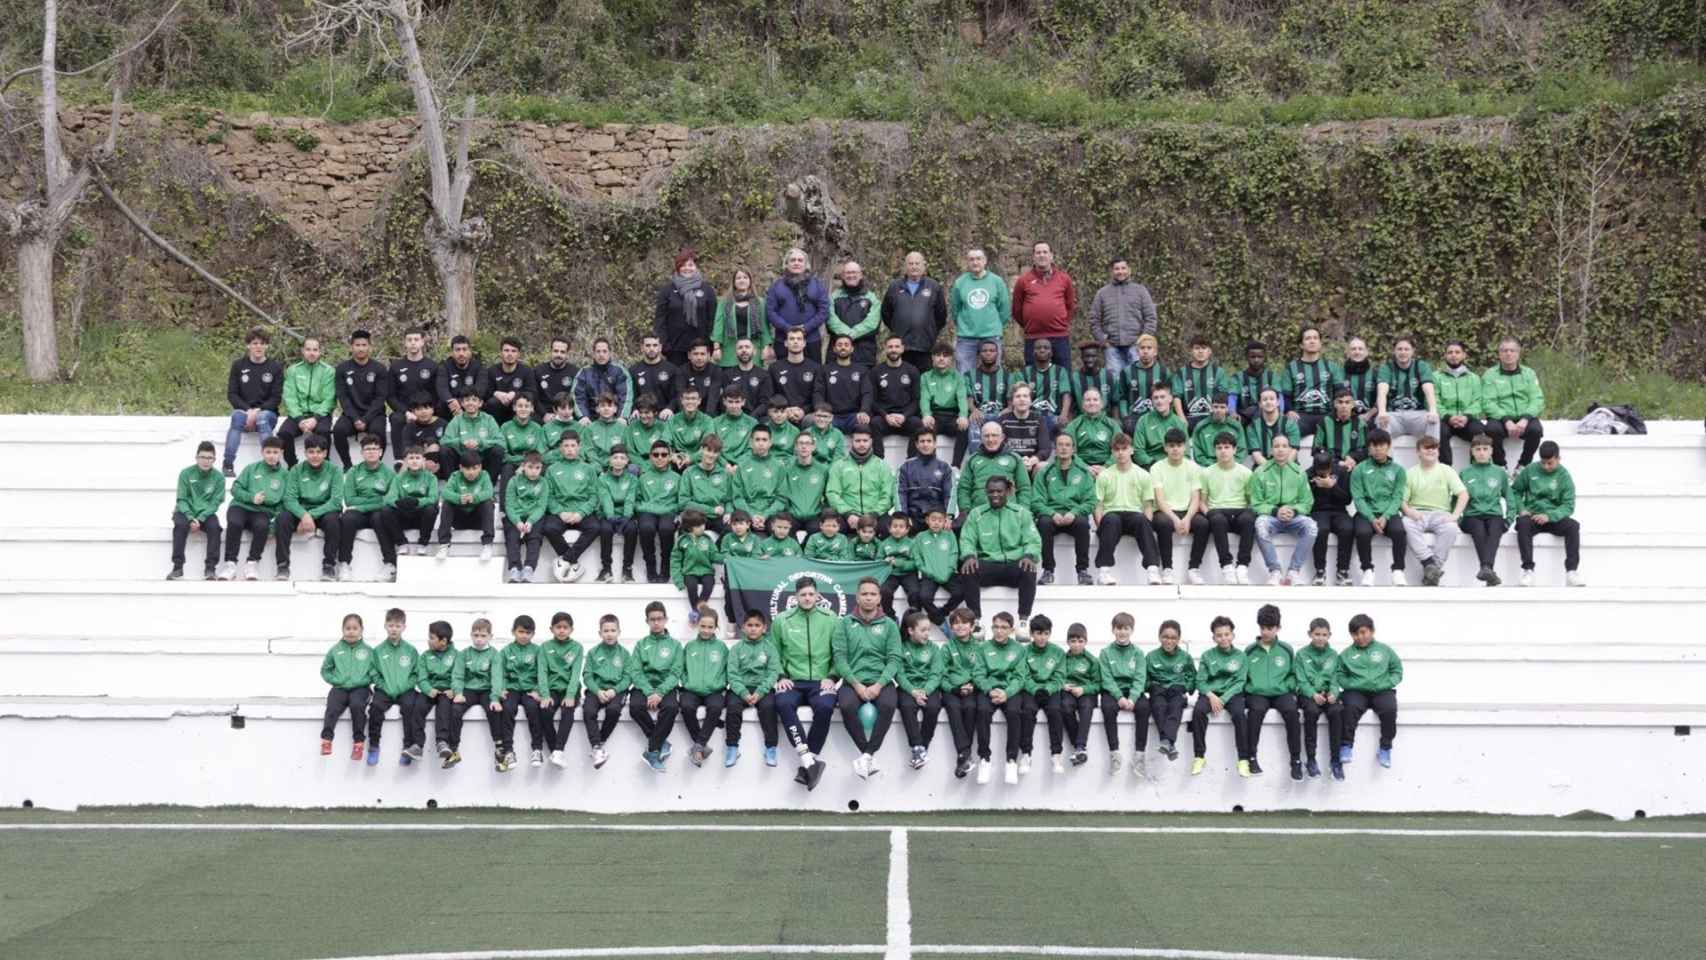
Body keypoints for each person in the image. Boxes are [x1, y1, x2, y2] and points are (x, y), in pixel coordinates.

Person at [769, 577, 841, 790]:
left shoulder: (831, 618)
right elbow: (774, 652)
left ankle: (809, 762)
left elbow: (839, 652)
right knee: (781, 703)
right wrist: (781, 676)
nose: (808, 598)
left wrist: (833, 676)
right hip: (793, 681)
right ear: (796, 597)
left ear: (817, 596)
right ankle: (808, 760)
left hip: (821, 681)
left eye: (811, 594)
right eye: (803, 595)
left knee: (826, 706)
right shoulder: (782, 620)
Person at [834, 578, 903, 779]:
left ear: (879, 598)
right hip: (853, 680)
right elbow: (840, 658)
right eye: (864, 594)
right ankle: (868, 754)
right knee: (846, 706)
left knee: (889, 706)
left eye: (873, 594)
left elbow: (894, 659)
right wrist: (856, 685)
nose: (869, 598)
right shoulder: (845, 623)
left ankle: (866, 755)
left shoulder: (889, 625)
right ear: (857, 597)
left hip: (881, 681)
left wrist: (879, 684)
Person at [959, 476, 1042, 629]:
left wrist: (1029, 555)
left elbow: (1033, 540)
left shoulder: (1021, 513)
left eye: (999, 491)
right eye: (991, 491)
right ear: (986, 492)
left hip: (1013, 564)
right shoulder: (976, 514)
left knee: (1029, 568)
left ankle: (1023, 621)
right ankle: (975, 621)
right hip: (989, 564)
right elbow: (966, 539)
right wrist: (969, 556)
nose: (995, 495)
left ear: (1008, 492)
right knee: (968, 569)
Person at [1243, 604, 1303, 780]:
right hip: (1257, 693)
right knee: (1255, 712)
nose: (1266, 632)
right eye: (1262, 628)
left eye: (1270, 628)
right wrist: (1250, 688)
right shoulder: (1250, 651)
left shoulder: (1286, 650)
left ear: (1278, 628)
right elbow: (1243, 675)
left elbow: (1293, 674)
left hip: (1281, 692)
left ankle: (1296, 761)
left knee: (1292, 712)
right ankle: (1251, 758)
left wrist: (1288, 687)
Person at [1093, 433, 1161, 586]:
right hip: (1112, 516)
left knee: (1142, 519)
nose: (1120, 453)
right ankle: (1104, 572)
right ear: (1112, 452)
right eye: (1117, 449)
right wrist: (1100, 527)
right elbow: (1098, 506)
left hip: (1134, 516)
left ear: (1132, 450)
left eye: (1124, 449)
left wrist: (1147, 525)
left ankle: (1152, 570)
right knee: (1110, 519)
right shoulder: (1104, 476)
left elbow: (1148, 506)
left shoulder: (1143, 475)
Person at [1513, 440, 1584, 587]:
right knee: (1522, 523)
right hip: (1532, 515)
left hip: (1553, 517)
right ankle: (1528, 570)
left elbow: (1568, 506)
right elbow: (1514, 491)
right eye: (1543, 463)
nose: (1546, 466)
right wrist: (1521, 508)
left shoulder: (1564, 476)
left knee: (1573, 526)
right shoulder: (1530, 470)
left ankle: (1571, 571)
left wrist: (1550, 516)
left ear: (1558, 458)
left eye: (1550, 463)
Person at [1336, 612, 1401, 768]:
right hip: (1356, 692)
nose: (1360, 637)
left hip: (1381, 690)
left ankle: (1385, 747)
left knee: (1390, 708)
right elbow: (1339, 674)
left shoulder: (1385, 650)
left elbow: (1397, 670)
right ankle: (1346, 745)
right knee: (1349, 707)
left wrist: (1387, 683)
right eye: (1355, 634)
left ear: (1372, 631)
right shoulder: (1346, 654)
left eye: (1363, 632)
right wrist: (1350, 685)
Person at [971, 611, 1030, 785]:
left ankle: (1011, 760)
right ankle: (984, 759)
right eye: (996, 627)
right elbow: (978, 674)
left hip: (1009, 691)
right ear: (991, 628)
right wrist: (989, 690)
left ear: (1012, 630)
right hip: (989, 690)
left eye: (1004, 627)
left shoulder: (1019, 649)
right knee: (981, 711)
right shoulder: (983, 648)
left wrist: (1007, 693)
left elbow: (1020, 677)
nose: (999, 631)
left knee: (1014, 712)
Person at [1250, 434, 1317, 586]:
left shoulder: (1299, 472)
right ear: (1271, 450)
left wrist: (1293, 510)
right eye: (1276, 446)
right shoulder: (1260, 472)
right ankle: (1275, 571)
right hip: (1271, 517)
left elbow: (1307, 502)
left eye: (1284, 446)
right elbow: (1255, 503)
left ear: (1290, 450)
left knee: (1311, 526)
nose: (1280, 450)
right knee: (1260, 524)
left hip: (1293, 517)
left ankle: (1294, 571)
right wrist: (1275, 511)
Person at [1401, 435, 1468, 586]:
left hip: (1441, 513)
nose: (1431, 451)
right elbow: (1402, 501)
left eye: (1434, 448)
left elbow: (1463, 494)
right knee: (1406, 523)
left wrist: (1455, 515)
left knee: (1451, 528)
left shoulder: (1447, 470)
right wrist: (1409, 512)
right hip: (1418, 512)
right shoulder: (1410, 473)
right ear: (1418, 452)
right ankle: (1428, 562)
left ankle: (1432, 570)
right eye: (1426, 448)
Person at [1189, 615, 1251, 778]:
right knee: (1198, 712)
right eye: (1219, 635)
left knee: (1239, 714)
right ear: (1214, 637)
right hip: (1211, 694)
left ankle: (1243, 759)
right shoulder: (1207, 656)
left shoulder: (1241, 656)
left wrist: (1223, 699)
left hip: (1232, 694)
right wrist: (1211, 696)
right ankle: (1199, 756)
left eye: (1226, 634)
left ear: (1233, 635)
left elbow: (1240, 682)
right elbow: (1200, 681)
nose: (1223, 638)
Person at [275, 434, 343, 582]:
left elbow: (336, 501)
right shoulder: (296, 470)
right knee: (282, 518)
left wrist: (310, 515)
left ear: (325, 453)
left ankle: (329, 566)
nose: (315, 456)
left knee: (333, 521)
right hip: (302, 510)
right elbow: (289, 499)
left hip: (324, 510)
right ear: (305, 453)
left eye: (319, 452)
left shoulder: (335, 470)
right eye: (311, 452)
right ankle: (282, 565)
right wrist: (303, 515)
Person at [1189, 432, 1255, 584]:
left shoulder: (1246, 473)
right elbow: (1202, 501)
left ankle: (1242, 566)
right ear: (1214, 451)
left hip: (1239, 511)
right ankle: (1226, 566)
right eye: (1219, 448)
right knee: (1217, 519)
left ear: (1235, 450)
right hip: (1218, 511)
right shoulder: (1206, 473)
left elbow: (1251, 500)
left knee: (1249, 518)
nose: (1223, 451)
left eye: (1227, 447)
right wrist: (1209, 513)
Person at [219, 435, 287, 581]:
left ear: (281, 453)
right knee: (235, 523)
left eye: (275, 452)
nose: (271, 456)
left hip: (263, 511)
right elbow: (235, 489)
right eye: (268, 452)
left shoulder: (285, 475)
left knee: (262, 526)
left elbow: (284, 502)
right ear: (262, 452)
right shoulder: (251, 468)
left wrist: (273, 524)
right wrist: (251, 497)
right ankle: (230, 564)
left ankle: (252, 562)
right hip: (241, 506)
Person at [626, 602, 684, 771]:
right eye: (653, 619)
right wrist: (650, 692)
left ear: (666, 620)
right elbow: (635, 671)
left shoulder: (675, 645)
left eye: (659, 619)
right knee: (635, 707)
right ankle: (660, 742)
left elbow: (676, 673)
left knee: (672, 707)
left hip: (666, 687)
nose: (656, 623)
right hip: (644, 686)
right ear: (647, 621)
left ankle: (652, 750)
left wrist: (660, 692)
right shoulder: (641, 644)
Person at [1033, 433, 1096, 586]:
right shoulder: (1044, 472)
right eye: (1060, 444)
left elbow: (1091, 501)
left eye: (1067, 445)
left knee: (1082, 524)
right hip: (1052, 514)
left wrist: (1074, 512)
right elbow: (1035, 501)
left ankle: (1083, 571)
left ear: (1073, 449)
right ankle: (1048, 571)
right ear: (1055, 448)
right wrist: (1051, 513)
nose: (1063, 448)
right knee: (1043, 523)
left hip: (1073, 515)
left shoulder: (1083, 472)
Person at [1350, 428, 1409, 586]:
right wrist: (1371, 517)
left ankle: (1398, 570)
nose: (1377, 449)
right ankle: (1367, 570)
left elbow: (1397, 497)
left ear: (1388, 446)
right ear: (1368, 447)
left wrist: (1385, 516)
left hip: (1388, 512)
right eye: (1373, 446)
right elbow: (1358, 498)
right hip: (1365, 512)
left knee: (1399, 531)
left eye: (1381, 445)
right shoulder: (1359, 469)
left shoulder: (1398, 470)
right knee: (1362, 532)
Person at [541, 431, 601, 583]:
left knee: (595, 527)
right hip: (561, 510)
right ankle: (574, 563)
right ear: (560, 448)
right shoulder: (552, 469)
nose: (569, 449)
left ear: (579, 447)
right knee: (549, 528)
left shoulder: (588, 469)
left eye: (573, 446)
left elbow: (594, 496)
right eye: (566, 446)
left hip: (581, 510)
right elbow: (548, 496)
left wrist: (581, 513)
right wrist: (560, 512)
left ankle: (566, 560)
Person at [724, 609, 782, 767]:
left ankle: (770, 748)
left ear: (764, 628)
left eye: (757, 625)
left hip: (762, 688)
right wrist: (743, 692)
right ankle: (732, 747)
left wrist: (760, 692)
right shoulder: (736, 649)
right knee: (733, 707)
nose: (753, 628)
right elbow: (732, 674)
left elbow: (772, 673)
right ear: (743, 627)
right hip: (740, 688)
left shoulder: (770, 648)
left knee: (769, 707)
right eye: (750, 625)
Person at [366, 608, 424, 767]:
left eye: (398, 626)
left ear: (404, 627)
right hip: (384, 690)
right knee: (375, 708)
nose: (394, 629)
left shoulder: (411, 651)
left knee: (410, 707)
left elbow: (415, 673)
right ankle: (373, 746)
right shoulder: (378, 651)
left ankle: (408, 747)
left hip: (405, 690)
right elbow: (373, 672)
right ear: (385, 626)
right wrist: (382, 685)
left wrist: (406, 686)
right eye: (391, 625)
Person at [222, 328, 283, 477]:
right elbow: (232, 394)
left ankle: (272, 463)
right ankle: (228, 464)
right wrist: (247, 410)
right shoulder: (238, 366)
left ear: (267, 346)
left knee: (262, 419)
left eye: (262, 344)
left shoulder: (275, 367)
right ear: (248, 345)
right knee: (236, 417)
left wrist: (258, 411)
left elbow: (276, 398)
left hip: (267, 414)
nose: (258, 347)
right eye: (255, 343)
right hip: (244, 413)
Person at [1097, 612, 1152, 776]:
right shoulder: (1105, 652)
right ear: (1113, 630)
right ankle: (1114, 754)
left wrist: (1133, 698)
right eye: (1118, 628)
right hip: (1113, 691)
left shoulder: (1138, 653)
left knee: (1144, 708)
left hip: (1132, 691)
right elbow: (1106, 679)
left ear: (1132, 630)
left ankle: (1140, 756)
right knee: (1107, 708)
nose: (1122, 632)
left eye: (1126, 629)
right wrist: (1119, 697)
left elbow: (1140, 678)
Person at [337, 434, 398, 581]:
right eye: (367, 449)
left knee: (380, 516)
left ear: (381, 451)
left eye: (375, 448)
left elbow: (388, 500)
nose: (371, 452)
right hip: (359, 514)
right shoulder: (353, 472)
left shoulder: (389, 474)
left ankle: (390, 564)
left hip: (377, 512)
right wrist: (375, 500)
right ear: (362, 452)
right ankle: (344, 564)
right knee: (347, 518)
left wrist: (363, 505)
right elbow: (350, 500)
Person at [493, 615, 548, 770]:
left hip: (530, 690)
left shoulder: (538, 651)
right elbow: (500, 673)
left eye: (528, 633)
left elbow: (542, 673)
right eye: (521, 632)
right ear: (513, 632)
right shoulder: (505, 651)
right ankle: (509, 751)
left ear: (533, 634)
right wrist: (501, 689)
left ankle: (537, 749)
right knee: (508, 709)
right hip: (512, 688)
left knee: (533, 708)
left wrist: (538, 691)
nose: (524, 636)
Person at [446, 618, 502, 770]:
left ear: (490, 636)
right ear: (471, 635)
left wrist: (495, 698)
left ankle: (499, 749)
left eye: (483, 636)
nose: (479, 639)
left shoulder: (494, 654)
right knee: (456, 709)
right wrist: (458, 692)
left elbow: (497, 678)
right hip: (469, 690)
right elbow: (457, 676)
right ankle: (453, 749)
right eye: (476, 635)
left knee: (494, 710)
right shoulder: (464, 654)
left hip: (486, 690)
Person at [1459, 433, 1515, 585]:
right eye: (1477, 449)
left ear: (1491, 451)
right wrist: (1458, 518)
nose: (1481, 452)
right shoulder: (1464, 473)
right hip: (1472, 515)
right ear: (1472, 452)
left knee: (1495, 529)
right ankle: (1488, 569)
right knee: (1479, 530)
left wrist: (1509, 518)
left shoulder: (1499, 473)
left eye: (1485, 449)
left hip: (1493, 513)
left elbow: (1510, 497)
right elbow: (1455, 497)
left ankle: (1486, 568)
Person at [1481, 337, 1546, 469]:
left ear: (1518, 353)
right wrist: (1506, 420)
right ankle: (1500, 466)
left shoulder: (1529, 373)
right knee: (1491, 429)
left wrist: (1526, 418)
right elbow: (1487, 401)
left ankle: (1523, 465)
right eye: (1504, 350)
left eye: (1512, 350)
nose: (1508, 353)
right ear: (1499, 354)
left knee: (1536, 430)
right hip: (1501, 417)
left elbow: (1537, 399)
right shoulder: (1490, 375)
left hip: (1525, 416)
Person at [1294, 616, 1344, 780]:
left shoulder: (1333, 655)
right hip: (1309, 695)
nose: (1320, 638)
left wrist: (1333, 693)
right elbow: (1300, 680)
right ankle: (1311, 759)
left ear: (1329, 635)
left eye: (1324, 634)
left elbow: (1336, 678)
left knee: (1337, 711)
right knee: (1311, 712)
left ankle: (1335, 761)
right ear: (1310, 634)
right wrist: (1312, 694)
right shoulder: (1301, 655)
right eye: (1317, 634)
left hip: (1327, 695)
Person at [1147, 429, 1200, 584]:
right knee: (1163, 523)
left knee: (1203, 524)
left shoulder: (1193, 467)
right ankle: (1167, 569)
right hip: (1165, 511)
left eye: (1178, 445)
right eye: (1171, 446)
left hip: (1187, 510)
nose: (1175, 449)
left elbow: (1196, 497)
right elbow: (1160, 499)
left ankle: (1194, 568)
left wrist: (1188, 518)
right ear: (1165, 448)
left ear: (1185, 447)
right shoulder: (1156, 467)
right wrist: (1176, 519)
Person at [895, 610, 946, 769]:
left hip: (928, 688)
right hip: (909, 688)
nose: (927, 634)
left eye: (929, 630)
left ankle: (922, 747)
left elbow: (936, 673)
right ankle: (917, 746)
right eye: (923, 630)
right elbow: (900, 675)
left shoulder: (934, 649)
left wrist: (925, 690)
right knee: (907, 706)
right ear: (910, 631)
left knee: (933, 707)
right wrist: (913, 691)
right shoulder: (902, 648)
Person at [678, 608, 729, 767]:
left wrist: (719, 684)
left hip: (713, 690)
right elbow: (682, 669)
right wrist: (686, 682)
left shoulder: (721, 647)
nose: (706, 630)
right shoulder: (690, 646)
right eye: (703, 626)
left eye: (710, 627)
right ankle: (700, 746)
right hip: (691, 689)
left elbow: (727, 670)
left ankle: (698, 747)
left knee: (715, 707)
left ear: (716, 628)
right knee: (686, 706)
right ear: (697, 626)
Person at [1087, 257, 1157, 373]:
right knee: (1114, 384)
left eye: (1123, 268)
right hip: (1112, 348)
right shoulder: (1102, 293)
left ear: (1129, 270)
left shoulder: (1140, 291)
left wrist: (1143, 341)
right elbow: (1094, 320)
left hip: (1135, 347)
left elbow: (1151, 318)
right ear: (1112, 271)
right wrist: (1103, 341)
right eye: (1117, 269)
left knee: (1136, 381)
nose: (1120, 271)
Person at [1012, 240, 1076, 366]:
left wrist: (1060, 322)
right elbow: (1016, 310)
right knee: (1033, 376)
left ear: (1051, 256)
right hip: (1033, 337)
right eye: (1038, 252)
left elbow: (1070, 306)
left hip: (1059, 336)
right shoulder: (1023, 281)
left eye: (1045, 252)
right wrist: (1031, 324)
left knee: (1063, 374)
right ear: (1033, 257)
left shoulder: (1064, 279)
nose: (1042, 255)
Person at [881, 251, 948, 373]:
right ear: (905, 267)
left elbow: (941, 315)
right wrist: (899, 327)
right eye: (910, 263)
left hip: (925, 346)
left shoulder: (933, 286)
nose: (914, 266)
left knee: (923, 384)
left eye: (917, 263)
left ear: (924, 266)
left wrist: (929, 330)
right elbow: (886, 313)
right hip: (901, 346)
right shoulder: (895, 286)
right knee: (902, 382)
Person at [169, 441, 226, 581]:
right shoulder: (186, 473)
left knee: (215, 527)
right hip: (185, 511)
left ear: (214, 459)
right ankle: (177, 567)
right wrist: (189, 517)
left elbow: (215, 503)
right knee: (180, 525)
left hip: (205, 513)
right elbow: (181, 499)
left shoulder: (219, 477)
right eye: (203, 457)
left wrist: (200, 518)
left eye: (209, 458)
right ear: (196, 457)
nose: (206, 461)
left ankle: (210, 568)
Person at [333, 329, 389, 469]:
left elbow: (380, 398)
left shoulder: (380, 369)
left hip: (374, 414)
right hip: (351, 414)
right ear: (351, 347)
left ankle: (376, 466)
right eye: (357, 345)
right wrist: (355, 418)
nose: (361, 348)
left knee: (379, 433)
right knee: (338, 430)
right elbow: (343, 397)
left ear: (370, 347)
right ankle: (347, 465)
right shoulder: (342, 369)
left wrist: (365, 419)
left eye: (364, 345)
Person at [580, 614, 630, 769]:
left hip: (617, 691)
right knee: (588, 710)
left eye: (613, 630)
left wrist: (615, 690)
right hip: (597, 690)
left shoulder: (624, 654)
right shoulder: (593, 653)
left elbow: (628, 677)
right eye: (606, 630)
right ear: (600, 633)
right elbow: (587, 675)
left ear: (619, 632)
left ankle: (599, 742)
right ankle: (596, 748)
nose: (609, 634)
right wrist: (597, 691)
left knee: (614, 710)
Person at [320, 612, 373, 760]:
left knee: (357, 706)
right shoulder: (336, 650)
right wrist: (336, 680)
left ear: (361, 630)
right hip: (340, 687)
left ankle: (358, 742)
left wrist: (364, 680)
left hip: (360, 688)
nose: (351, 631)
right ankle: (326, 740)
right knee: (332, 707)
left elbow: (375, 671)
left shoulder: (368, 651)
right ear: (342, 630)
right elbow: (325, 670)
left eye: (355, 628)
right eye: (348, 628)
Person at [277, 335, 335, 468]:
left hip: (320, 415)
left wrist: (315, 419)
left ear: (320, 352)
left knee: (324, 432)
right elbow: (290, 397)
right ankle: (293, 466)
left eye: (315, 350)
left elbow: (329, 398)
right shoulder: (293, 370)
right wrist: (299, 419)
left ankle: (325, 465)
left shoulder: (328, 371)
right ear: (303, 351)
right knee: (284, 433)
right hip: (298, 414)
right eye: (308, 349)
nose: (312, 353)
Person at [1018, 615, 1067, 774]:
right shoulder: (1023, 651)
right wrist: (1035, 689)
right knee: (1027, 712)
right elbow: (1023, 676)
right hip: (1031, 690)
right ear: (1031, 634)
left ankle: (1056, 754)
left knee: (1055, 711)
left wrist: (1047, 689)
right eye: (1038, 633)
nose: (1042, 637)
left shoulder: (1058, 652)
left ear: (1050, 634)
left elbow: (1060, 677)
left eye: (1046, 633)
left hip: (1050, 690)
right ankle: (1026, 754)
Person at [957, 421, 1031, 525]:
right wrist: (966, 510)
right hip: (979, 514)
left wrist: (1022, 510)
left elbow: (1024, 488)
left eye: (994, 435)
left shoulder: (1015, 458)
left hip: (1009, 514)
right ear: (981, 438)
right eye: (986, 436)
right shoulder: (972, 460)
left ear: (1002, 437)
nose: (990, 439)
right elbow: (964, 488)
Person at [949, 247, 1009, 373]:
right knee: (964, 374)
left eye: (978, 259)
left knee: (993, 373)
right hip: (966, 337)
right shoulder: (960, 283)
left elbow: (1004, 309)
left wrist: (995, 326)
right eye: (971, 259)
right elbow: (955, 309)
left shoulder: (997, 281)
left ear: (985, 261)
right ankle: (968, 394)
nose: (975, 262)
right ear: (967, 262)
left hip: (991, 336)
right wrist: (963, 325)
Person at [937, 607, 981, 777]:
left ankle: (963, 756)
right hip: (951, 690)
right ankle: (965, 753)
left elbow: (981, 671)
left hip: (971, 689)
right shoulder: (947, 648)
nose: (960, 626)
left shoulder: (979, 647)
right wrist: (954, 688)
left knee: (970, 708)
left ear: (972, 626)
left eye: (964, 623)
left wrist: (972, 685)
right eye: (955, 623)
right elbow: (941, 674)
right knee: (954, 708)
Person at [655, 247, 717, 367]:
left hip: (700, 350)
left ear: (695, 266)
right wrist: (665, 346)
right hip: (675, 349)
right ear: (677, 267)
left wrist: (711, 345)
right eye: (683, 265)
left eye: (690, 265)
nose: (687, 268)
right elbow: (660, 320)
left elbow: (713, 319)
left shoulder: (706, 289)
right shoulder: (667, 290)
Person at [827, 426, 897, 526]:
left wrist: (873, 514)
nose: (861, 444)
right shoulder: (839, 466)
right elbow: (832, 493)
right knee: (835, 528)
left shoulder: (882, 466)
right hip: (846, 514)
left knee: (887, 528)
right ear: (852, 442)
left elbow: (888, 495)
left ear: (871, 441)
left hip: (876, 514)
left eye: (865, 440)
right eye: (858, 440)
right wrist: (848, 513)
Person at [539, 611, 584, 769]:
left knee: (568, 711)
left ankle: (558, 750)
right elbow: (542, 672)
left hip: (569, 688)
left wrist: (571, 694)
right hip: (551, 688)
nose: (562, 630)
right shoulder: (545, 647)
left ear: (571, 629)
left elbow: (575, 673)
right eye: (558, 627)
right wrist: (544, 695)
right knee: (544, 710)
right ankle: (554, 750)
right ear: (552, 629)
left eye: (565, 627)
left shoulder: (577, 647)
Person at [767, 247, 830, 358]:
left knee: (813, 373)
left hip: (811, 340)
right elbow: (771, 312)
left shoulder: (816, 285)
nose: (796, 263)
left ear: (806, 265)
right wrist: (788, 329)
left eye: (800, 260)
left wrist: (806, 328)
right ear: (786, 264)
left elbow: (824, 310)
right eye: (793, 260)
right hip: (784, 340)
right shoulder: (776, 286)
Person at [380, 446, 439, 562]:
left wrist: (418, 502)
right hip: (404, 515)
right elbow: (388, 498)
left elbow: (433, 498)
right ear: (406, 461)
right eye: (411, 458)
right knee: (385, 510)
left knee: (431, 509)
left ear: (423, 460)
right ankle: (401, 542)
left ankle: (423, 543)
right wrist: (399, 503)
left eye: (418, 458)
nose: (414, 461)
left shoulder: (431, 477)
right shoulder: (399, 478)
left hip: (421, 517)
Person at [1144, 619, 1192, 762]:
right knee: (1159, 706)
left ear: (1178, 639)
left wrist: (1186, 687)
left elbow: (1192, 677)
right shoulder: (1151, 656)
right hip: (1158, 690)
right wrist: (1150, 686)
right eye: (1165, 637)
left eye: (1173, 638)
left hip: (1176, 691)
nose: (1169, 641)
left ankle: (1166, 741)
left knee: (1175, 707)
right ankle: (1170, 744)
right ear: (1159, 637)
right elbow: (1144, 679)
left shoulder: (1185, 657)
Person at [1375, 336, 1439, 443]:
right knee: (1380, 421)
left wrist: (1433, 410)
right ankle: (1387, 459)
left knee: (1433, 421)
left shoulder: (1421, 366)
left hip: (1417, 415)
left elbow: (1428, 389)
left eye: (1406, 349)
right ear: (1394, 351)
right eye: (1399, 349)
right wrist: (1382, 412)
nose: (1403, 352)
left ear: (1412, 351)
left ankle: (1431, 458)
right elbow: (1382, 391)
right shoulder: (1387, 368)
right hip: (1394, 415)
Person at [434, 451, 496, 561]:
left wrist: (475, 498)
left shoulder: (485, 475)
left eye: (475, 468)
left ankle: (488, 544)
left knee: (488, 502)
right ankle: (444, 544)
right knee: (447, 503)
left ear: (480, 467)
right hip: (460, 520)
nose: (471, 472)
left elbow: (489, 492)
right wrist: (459, 498)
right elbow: (445, 493)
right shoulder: (455, 476)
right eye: (467, 469)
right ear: (461, 468)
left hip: (478, 521)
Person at [1284, 326, 1344, 439]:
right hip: (1300, 416)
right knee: (1288, 429)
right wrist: (1289, 410)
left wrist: (1338, 411)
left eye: (1315, 338)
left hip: (1326, 414)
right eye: (1308, 338)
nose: (1312, 341)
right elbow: (1285, 396)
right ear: (1301, 344)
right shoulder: (1291, 368)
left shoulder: (1331, 366)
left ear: (1320, 343)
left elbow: (1340, 392)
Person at [1435, 339, 1487, 467]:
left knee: (1479, 432)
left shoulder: (1474, 378)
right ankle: (1446, 470)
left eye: (1457, 352)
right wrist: (1448, 417)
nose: (1453, 355)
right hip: (1445, 419)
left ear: (1464, 355)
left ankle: (1476, 469)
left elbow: (1478, 401)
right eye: (1450, 352)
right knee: (1439, 431)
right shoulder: (1436, 376)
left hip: (1467, 419)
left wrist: (1466, 417)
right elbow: (1433, 401)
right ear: (1445, 355)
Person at [1307, 449, 1354, 586]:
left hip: (1339, 510)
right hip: (1318, 511)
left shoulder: (1342, 472)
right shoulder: (1308, 474)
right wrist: (1316, 486)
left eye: (1326, 471)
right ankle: (1320, 570)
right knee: (1321, 529)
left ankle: (1343, 570)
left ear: (1331, 466)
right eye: (1320, 472)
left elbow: (1347, 500)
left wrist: (1332, 487)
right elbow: (1306, 501)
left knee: (1347, 528)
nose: (1323, 474)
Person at [918, 343, 971, 467]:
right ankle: (931, 465)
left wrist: (963, 415)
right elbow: (924, 398)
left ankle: (955, 467)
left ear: (951, 359)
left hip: (952, 416)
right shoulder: (926, 376)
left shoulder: (957, 377)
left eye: (945, 355)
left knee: (964, 428)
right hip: (934, 416)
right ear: (932, 358)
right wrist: (926, 414)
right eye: (938, 355)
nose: (941, 358)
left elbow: (962, 398)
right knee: (924, 429)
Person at [593, 444, 640, 583]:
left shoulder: (632, 479)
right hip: (609, 513)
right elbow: (605, 498)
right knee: (605, 529)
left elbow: (630, 498)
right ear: (610, 460)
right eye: (615, 457)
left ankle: (627, 569)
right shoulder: (602, 479)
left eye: (622, 458)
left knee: (631, 529)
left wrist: (626, 516)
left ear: (627, 461)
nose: (618, 460)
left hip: (625, 513)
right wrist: (610, 516)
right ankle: (606, 569)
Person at [501, 451, 548, 583]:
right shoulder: (513, 481)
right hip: (516, 516)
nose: (534, 471)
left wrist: (531, 521)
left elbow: (541, 506)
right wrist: (517, 522)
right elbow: (509, 505)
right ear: (523, 466)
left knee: (535, 537)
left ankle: (529, 568)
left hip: (534, 516)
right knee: (512, 537)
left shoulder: (543, 482)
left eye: (537, 468)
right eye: (530, 467)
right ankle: (515, 569)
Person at [871, 336, 924, 453]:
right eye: (890, 347)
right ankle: (878, 462)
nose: (893, 349)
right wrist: (885, 416)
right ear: (885, 349)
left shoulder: (912, 370)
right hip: (885, 418)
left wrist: (904, 416)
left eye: (896, 346)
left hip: (905, 418)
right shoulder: (876, 371)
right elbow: (872, 401)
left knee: (918, 424)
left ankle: (911, 462)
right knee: (874, 423)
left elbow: (916, 400)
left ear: (902, 349)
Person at [912, 509, 965, 625]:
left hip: (948, 573)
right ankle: (939, 620)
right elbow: (917, 558)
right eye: (933, 519)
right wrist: (927, 571)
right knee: (924, 597)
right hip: (929, 575)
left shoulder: (949, 535)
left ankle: (943, 612)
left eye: (940, 520)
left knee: (960, 592)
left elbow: (954, 553)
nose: (936, 523)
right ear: (927, 520)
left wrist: (950, 569)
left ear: (945, 521)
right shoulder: (920, 537)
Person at [416, 620, 458, 764]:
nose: (429, 641)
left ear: (443, 641)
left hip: (447, 691)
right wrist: (428, 689)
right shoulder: (425, 656)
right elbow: (421, 677)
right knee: (419, 705)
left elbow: (459, 675)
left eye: (432, 638)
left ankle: (442, 742)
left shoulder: (457, 655)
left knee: (444, 708)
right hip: (431, 690)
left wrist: (454, 689)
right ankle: (417, 745)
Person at [441, 388, 504, 481]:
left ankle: (489, 485)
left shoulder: (488, 419)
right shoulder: (457, 420)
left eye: (474, 400)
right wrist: (461, 441)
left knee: (498, 450)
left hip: (482, 458)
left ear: (480, 403)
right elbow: (444, 441)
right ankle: (452, 483)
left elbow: (501, 441)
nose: (470, 403)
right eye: (467, 400)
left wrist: (480, 443)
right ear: (462, 403)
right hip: (462, 458)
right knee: (445, 450)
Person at [712, 268, 771, 367]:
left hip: (752, 348)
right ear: (734, 282)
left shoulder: (759, 302)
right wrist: (716, 347)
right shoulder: (725, 302)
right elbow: (718, 325)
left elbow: (765, 326)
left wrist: (766, 347)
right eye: (738, 278)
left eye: (745, 277)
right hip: (730, 348)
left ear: (750, 281)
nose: (742, 280)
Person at [828, 260, 882, 366]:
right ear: (843, 276)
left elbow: (872, 323)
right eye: (848, 273)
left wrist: (852, 334)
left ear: (861, 275)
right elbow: (830, 319)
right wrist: (845, 335)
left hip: (864, 354)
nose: (851, 275)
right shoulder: (833, 297)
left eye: (854, 272)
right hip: (838, 352)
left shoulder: (872, 298)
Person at [776, 432, 830, 537]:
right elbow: (781, 494)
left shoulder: (823, 469)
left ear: (813, 447)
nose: (804, 446)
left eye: (807, 443)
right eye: (800, 443)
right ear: (795, 447)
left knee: (816, 533)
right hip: (792, 516)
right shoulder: (786, 468)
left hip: (814, 516)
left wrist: (824, 511)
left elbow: (828, 495)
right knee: (783, 531)